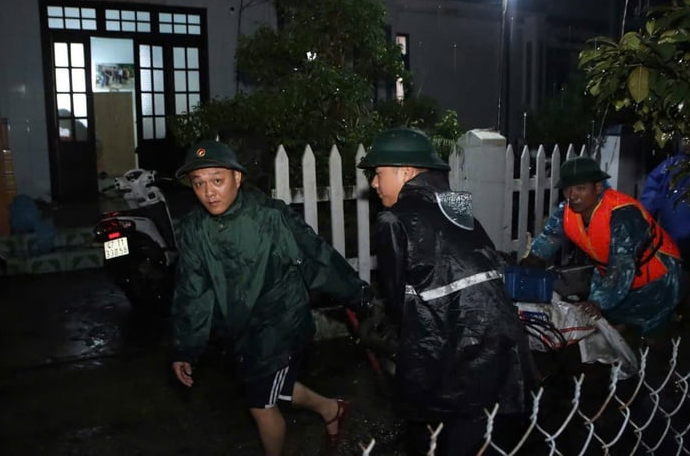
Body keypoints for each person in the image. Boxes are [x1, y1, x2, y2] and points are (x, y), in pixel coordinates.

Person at [169, 139, 369, 456]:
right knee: (276, 388)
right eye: (199, 183)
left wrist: (359, 296)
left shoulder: (270, 216)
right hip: (242, 328)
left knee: (260, 402)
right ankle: (332, 409)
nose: (209, 192)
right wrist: (186, 348)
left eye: (217, 180)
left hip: (281, 323)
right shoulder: (195, 229)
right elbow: (193, 291)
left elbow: (317, 258)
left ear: (237, 178)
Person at [357, 128, 537, 456]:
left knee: (447, 440)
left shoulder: (393, 220)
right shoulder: (456, 207)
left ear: (405, 172)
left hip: (457, 352)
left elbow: (398, 299)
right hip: (504, 341)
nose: (374, 184)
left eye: (378, 173)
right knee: (488, 438)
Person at [524, 156, 683, 337]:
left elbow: (621, 267)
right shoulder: (566, 211)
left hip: (658, 279)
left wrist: (597, 302)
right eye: (567, 189)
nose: (572, 196)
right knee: (608, 330)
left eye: (580, 188)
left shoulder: (623, 215)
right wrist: (529, 262)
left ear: (598, 187)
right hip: (612, 278)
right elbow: (549, 238)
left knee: (649, 335)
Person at [640, 137, 690, 266]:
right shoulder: (669, 166)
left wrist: (641, 224)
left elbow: (649, 201)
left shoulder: (668, 166)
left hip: (673, 238)